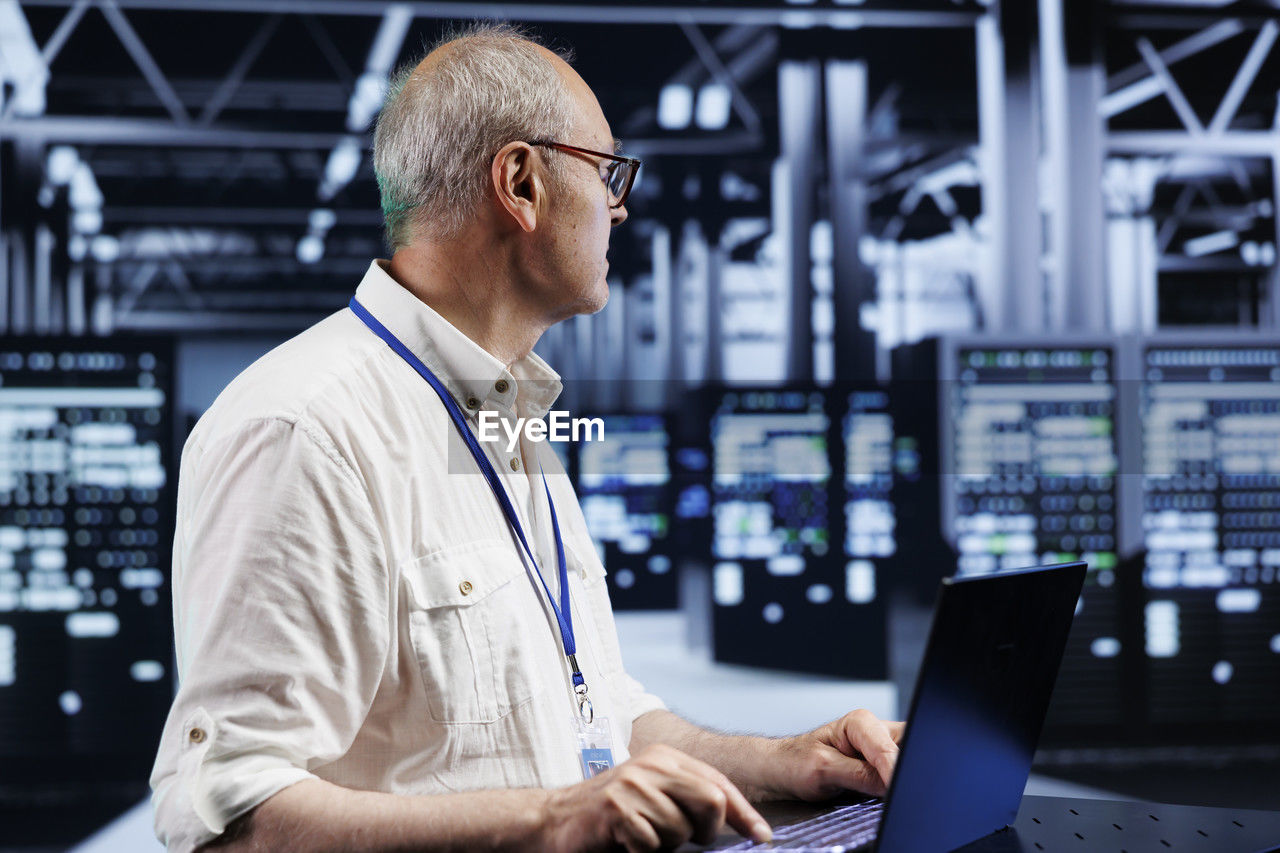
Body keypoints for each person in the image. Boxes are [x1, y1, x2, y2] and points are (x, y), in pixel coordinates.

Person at [150, 24, 902, 853]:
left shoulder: (509, 412)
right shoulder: (303, 429)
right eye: (608, 172)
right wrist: (548, 821)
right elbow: (229, 821)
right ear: (522, 182)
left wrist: (786, 764)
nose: (620, 205)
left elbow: (599, 716)